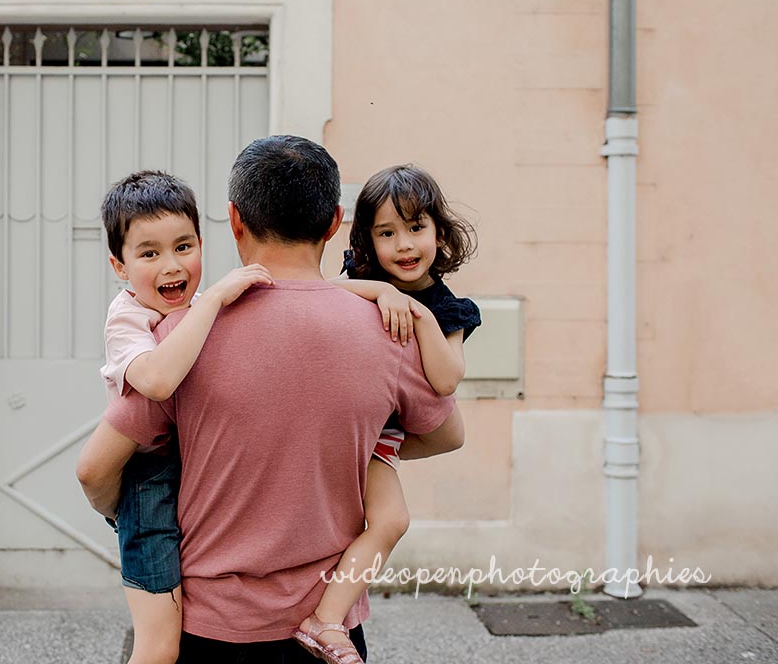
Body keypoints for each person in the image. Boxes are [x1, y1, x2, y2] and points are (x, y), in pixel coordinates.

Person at [78, 136, 464, 663]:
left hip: (209, 626)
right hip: (325, 631)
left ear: (234, 219)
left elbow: (94, 470)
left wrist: (124, 516)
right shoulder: (389, 329)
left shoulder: (183, 335)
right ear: (334, 223)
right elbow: (446, 435)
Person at [78, 170, 273, 664]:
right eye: (148, 253)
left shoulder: (200, 307)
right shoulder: (128, 319)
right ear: (118, 266)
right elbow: (159, 381)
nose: (172, 265)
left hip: (198, 465)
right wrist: (214, 301)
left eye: (184, 246)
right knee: (161, 646)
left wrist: (383, 293)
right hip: (149, 482)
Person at [297, 164, 481, 660]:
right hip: (332, 427)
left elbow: (446, 379)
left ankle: (326, 618)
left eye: (416, 227)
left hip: (381, 440)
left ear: (439, 233)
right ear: (366, 240)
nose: (404, 244)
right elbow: (319, 292)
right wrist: (382, 291)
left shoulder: (448, 308)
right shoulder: (359, 277)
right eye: (387, 232)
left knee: (391, 520)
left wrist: (418, 312)